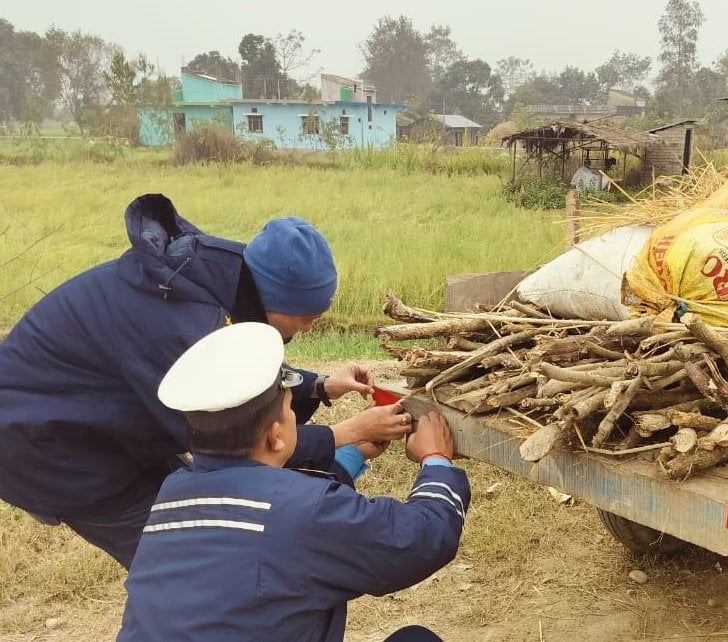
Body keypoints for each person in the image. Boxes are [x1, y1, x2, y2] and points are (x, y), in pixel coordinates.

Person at [0, 193, 412, 568]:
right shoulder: (184, 327)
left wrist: (318, 387)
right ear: (274, 301)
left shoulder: (225, 279)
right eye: (306, 318)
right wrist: (345, 434)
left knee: (207, 521)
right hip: (49, 443)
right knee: (185, 560)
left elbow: (238, 375)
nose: (307, 329)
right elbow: (232, 440)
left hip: (108, 417)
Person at [117, 322, 470, 641]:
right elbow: (418, 541)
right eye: (289, 410)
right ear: (275, 436)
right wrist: (435, 459)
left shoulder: (172, 493)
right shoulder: (303, 511)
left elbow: (278, 509)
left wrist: (352, 454)